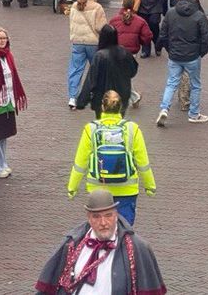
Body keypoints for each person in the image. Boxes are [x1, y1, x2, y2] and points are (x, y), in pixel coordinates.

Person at [34, 189, 166, 295]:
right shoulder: (72, 243)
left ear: (116, 215)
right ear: (89, 218)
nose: (103, 223)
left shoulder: (137, 248)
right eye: (96, 217)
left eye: (108, 215)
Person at [66, 91, 155, 228]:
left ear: (102, 107)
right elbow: (143, 162)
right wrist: (150, 186)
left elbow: (80, 163)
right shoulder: (132, 129)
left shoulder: (91, 129)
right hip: (127, 190)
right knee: (124, 229)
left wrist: (72, 187)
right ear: (121, 107)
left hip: (98, 190)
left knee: (100, 229)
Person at [156, 0, 208, 126]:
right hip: (192, 56)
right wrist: (200, 53)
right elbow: (207, 36)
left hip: (175, 55)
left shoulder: (171, 13)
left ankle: (164, 109)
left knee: (171, 83)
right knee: (195, 85)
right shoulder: (199, 15)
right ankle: (194, 114)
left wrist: (169, 49)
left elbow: (163, 34)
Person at [0, 27, 28, 179]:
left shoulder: (8, 55)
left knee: (3, 136)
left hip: (8, 101)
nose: (2, 41)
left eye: (4, 38)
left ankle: (2, 163)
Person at [78, 25, 139, 119]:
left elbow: (91, 79)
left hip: (103, 97)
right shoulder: (125, 52)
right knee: (118, 121)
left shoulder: (100, 56)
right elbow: (133, 71)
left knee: (102, 123)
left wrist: (82, 101)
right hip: (122, 95)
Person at [66, 0, 107, 110]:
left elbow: (72, 23)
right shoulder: (97, 7)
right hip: (93, 42)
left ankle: (72, 97)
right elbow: (101, 27)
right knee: (97, 70)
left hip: (78, 42)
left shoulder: (74, 6)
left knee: (76, 69)